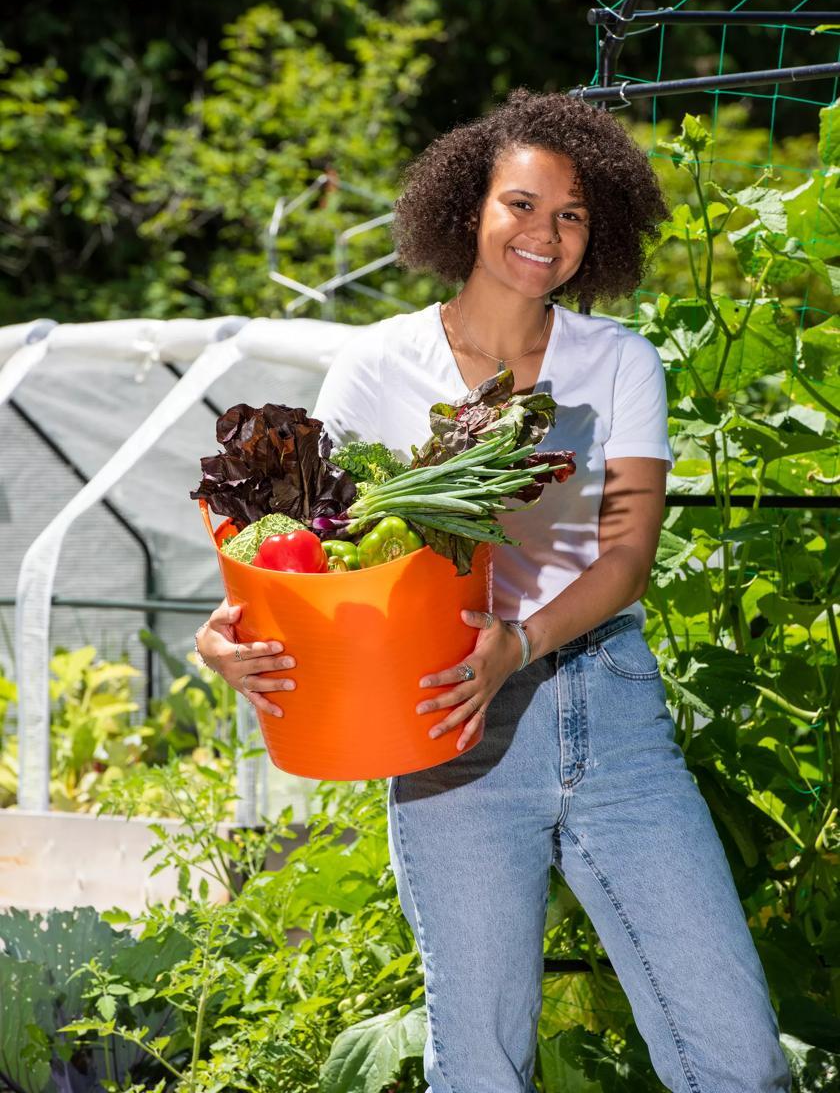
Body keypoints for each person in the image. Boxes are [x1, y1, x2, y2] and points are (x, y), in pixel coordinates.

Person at [195, 88, 791, 1092]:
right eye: (522, 204)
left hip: (613, 719)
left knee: (736, 1056)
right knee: (480, 1068)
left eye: (571, 216)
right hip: (446, 726)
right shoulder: (378, 364)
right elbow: (303, 551)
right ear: (471, 204)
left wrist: (520, 639)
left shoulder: (620, 363)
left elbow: (626, 556)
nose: (544, 234)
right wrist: (227, 631)